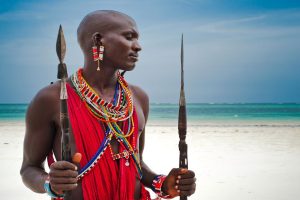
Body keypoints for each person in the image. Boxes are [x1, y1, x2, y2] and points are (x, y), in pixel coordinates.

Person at [20, 10, 196, 200]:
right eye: (129, 37)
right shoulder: (51, 99)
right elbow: (29, 169)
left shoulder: (138, 98)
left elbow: (136, 163)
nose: (138, 47)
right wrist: (49, 183)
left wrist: (163, 183)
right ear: (98, 40)